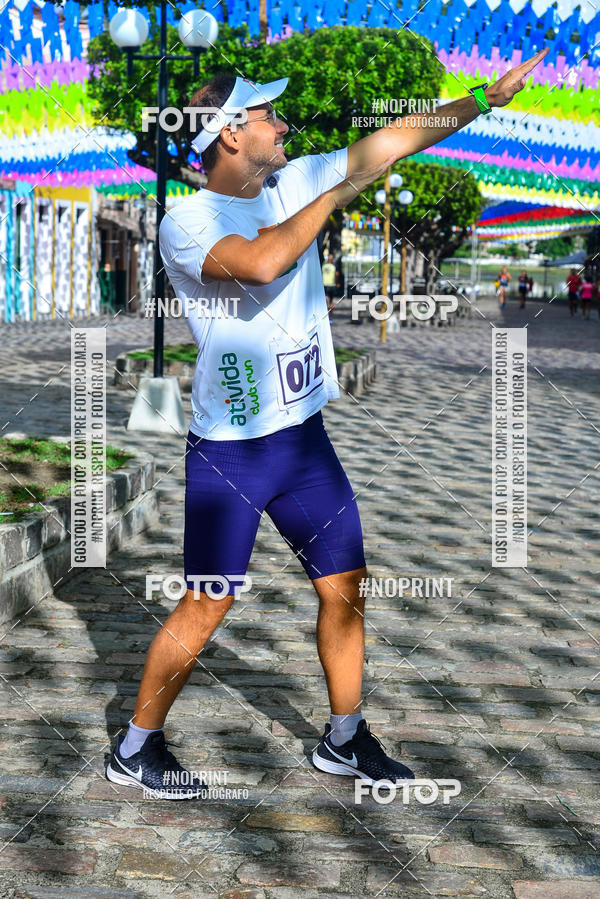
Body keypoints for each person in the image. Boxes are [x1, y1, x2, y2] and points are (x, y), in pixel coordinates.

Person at [106, 48, 550, 798]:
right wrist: (338, 188)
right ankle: (136, 747)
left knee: (345, 586)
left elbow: (397, 138)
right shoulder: (188, 218)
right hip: (231, 451)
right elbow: (260, 263)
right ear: (229, 135)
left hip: (304, 442)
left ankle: (344, 739)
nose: (284, 124)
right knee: (208, 598)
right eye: (269, 114)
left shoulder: (299, 175)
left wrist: (484, 98)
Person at [322, 253, 337, 320]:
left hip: (325, 285)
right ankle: (330, 317)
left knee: (326, 301)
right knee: (331, 302)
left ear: (327, 259)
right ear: (332, 259)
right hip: (332, 285)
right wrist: (337, 282)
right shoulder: (334, 267)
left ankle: (326, 316)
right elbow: (337, 274)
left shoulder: (323, 266)